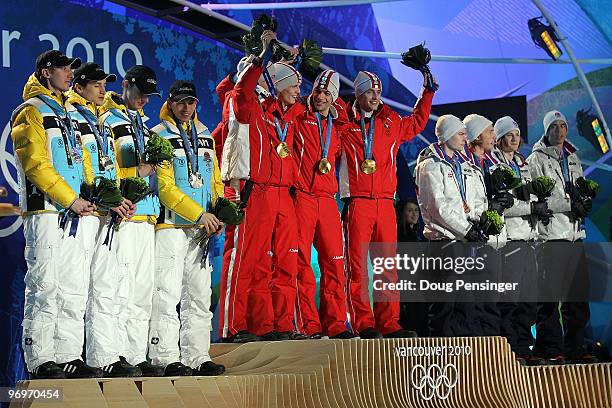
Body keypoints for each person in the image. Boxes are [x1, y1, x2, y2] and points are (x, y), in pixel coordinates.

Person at [11, 50, 102, 379]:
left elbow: (83, 161)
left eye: (70, 69)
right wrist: (70, 199)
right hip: (47, 212)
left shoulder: (70, 112)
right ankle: (40, 359)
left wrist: (91, 194)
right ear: (46, 73)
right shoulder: (30, 111)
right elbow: (35, 164)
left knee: (73, 286)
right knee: (45, 285)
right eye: (63, 68)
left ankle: (67, 354)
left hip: (75, 213)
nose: (69, 73)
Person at [339, 67, 435, 339]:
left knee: (386, 267)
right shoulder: (344, 123)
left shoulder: (390, 121)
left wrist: (427, 92)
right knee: (357, 268)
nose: (375, 96)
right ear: (358, 94)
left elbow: (416, 122)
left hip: (385, 203)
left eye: (378, 92)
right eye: (369, 91)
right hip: (357, 202)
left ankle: (389, 322)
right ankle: (363, 323)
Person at [217, 31, 299, 342]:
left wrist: (285, 60)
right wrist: (261, 55)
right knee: (245, 261)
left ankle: (268, 325)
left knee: (268, 263)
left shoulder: (278, 113)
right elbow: (240, 91)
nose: (297, 90)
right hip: (254, 189)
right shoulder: (244, 104)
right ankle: (233, 326)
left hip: (280, 192)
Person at [148, 80, 226, 376]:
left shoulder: (206, 136)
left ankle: (198, 356)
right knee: (166, 293)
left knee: (199, 294)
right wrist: (200, 214)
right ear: (169, 102)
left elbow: (214, 181)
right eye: (180, 102)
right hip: (170, 225)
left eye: (190, 102)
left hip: (200, 229)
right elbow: (164, 188)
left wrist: (217, 214)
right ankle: (165, 356)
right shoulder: (158, 136)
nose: (185, 108)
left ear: (196, 104)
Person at [66, 62, 139, 376]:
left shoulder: (101, 122)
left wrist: (121, 197)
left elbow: (112, 169)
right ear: (80, 87)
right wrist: (98, 195)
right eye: (96, 85)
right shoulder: (71, 117)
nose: (103, 90)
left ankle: (105, 356)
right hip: (84, 212)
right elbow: (78, 165)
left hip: (106, 212)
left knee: (107, 286)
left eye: (104, 84)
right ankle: (70, 356)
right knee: (76, 287)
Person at [99, 65, 163, 376]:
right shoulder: (110, 120)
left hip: (147, 215)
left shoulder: (144, 126)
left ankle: (136, 355)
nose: (144, 101)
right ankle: (116, 354)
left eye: (149, 96)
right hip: (125, 214)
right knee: (120, 287)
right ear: (125, 85)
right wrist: (145, 167)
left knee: (141, 290)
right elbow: (116, 168)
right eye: (140, 93)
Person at [528, 110, 596, 365]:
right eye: (554, 127)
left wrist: (584, 201)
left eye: (563, 125)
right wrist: (569, 204)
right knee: (549, 296)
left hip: (574, 233)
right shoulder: (536, 159)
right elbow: (537, 197)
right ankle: (550, 346)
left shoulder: (573, 156)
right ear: (546, 131)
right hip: (552, 235)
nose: (560, 130)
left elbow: (579, 187)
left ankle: (576, 347)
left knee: (577, 295)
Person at [292, 70, 356, 340]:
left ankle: (337, 324)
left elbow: (345, 110)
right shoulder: (298, 115)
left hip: (329, 201)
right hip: (303, 197)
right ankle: (308, 325)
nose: (320, 97)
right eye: (317, 91)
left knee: (335, 264)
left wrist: (335, 99)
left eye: (327, 93)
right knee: (302, 263)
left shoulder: (338, 124)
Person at [415, 115, 488, 337]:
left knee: (466, 306)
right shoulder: (430, 165)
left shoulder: (462, 164)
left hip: (463, 242)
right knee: (445, 307)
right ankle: (442, 361)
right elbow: (438, 207)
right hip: (443, 243)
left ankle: (465, 362)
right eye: (460, 133)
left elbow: (473, 200)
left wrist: (478, 223)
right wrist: (467, 229)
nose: (466, 137)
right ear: (446, 135)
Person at [492, 116, 548, 365]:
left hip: (528, 239)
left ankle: (525, 349)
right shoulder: (493, 165)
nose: (515, 139)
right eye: (509, 135)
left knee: (529, 301)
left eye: (516, 134)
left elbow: (531, 200)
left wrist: (538, 206)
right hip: (511, 238)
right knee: (510, 302)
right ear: (500, 138)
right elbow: (504, 206)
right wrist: (531, 208)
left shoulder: (522, 164)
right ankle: (509, 352)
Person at [395, 199, 427, 336]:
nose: (414, 214)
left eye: (416, 210)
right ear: (402, 213)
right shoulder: (399, 236)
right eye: (410, 210)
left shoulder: (421, 235)